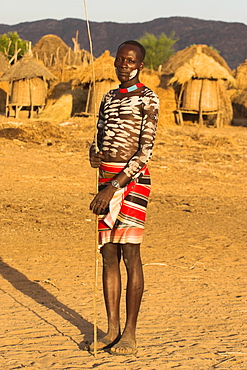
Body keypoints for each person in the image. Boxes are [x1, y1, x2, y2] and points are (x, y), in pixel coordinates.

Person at [89, 40, 159, 355]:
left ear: (140, 65)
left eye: (130, 61)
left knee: (130, 254)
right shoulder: (107, 97)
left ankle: (130, 332)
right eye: (120, 59)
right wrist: (95, 154)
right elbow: (99, 136)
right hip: (105, 178)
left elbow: (145, 151)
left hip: (130, 182)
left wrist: (113, 186)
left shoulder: (148, 98)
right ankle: (112, 328)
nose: (123, 65)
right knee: (108, 254)